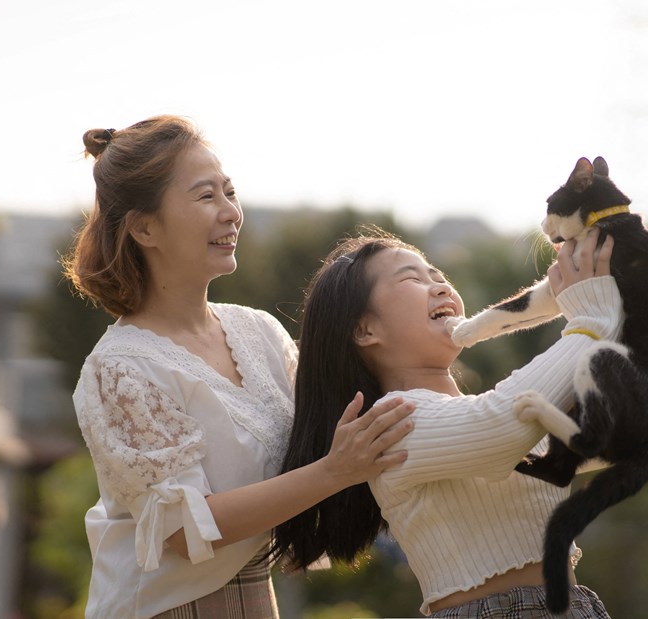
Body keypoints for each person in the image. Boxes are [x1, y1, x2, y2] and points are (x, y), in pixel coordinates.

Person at [64, 115, 416, 618]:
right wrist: (336, 470)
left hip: (255, 601)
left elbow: (328, 440)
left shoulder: (260, 334)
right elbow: (187, 533)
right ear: (144, 227)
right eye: (206, 197)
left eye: (230, 192)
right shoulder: (120, 368)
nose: (231, 213)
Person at [272, 229, 622, 618]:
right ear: (364, 330)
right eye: (412, 278)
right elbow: (499, 430)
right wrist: (590, 319)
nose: (439, 286)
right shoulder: (394, 421)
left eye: (438, 275)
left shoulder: (470, 415)